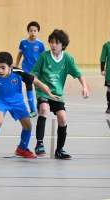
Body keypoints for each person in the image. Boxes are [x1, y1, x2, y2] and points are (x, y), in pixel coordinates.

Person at [0, 51, 61, 160]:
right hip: (2, 101)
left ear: (10, 66)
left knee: (28, 126)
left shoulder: (19, 72)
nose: (0, 70)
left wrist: (50, 94)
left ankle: (22, 148)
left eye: (3, 67)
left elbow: (36, 81)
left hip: (17, 102)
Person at [31, 29, 89, 159]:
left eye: (56, 43)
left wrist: (85, 87)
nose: (53, 45)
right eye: (51, 42)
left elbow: (79, 75)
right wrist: (40, 85)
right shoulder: (44, 56)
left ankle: (59, 150)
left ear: (63, 45)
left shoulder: (68, 59)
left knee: (63, 118)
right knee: (44, 109)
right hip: (44, 92)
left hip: (57, 94)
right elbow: (33, 75)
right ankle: (39, 144)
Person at [15, 21, 46, 118]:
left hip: (37, 70)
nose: (33, 32)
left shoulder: (40, 44)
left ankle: (38, 105)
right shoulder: (23, 42)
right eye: (31, 30)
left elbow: (44, 57)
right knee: (29, 88)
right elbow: (19, 54)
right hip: (26, 69)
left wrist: (43, 68)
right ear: (28, 31)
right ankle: (32, 110)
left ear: (38, 32)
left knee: (38, 88)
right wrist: (16, 65)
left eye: (35, 31)